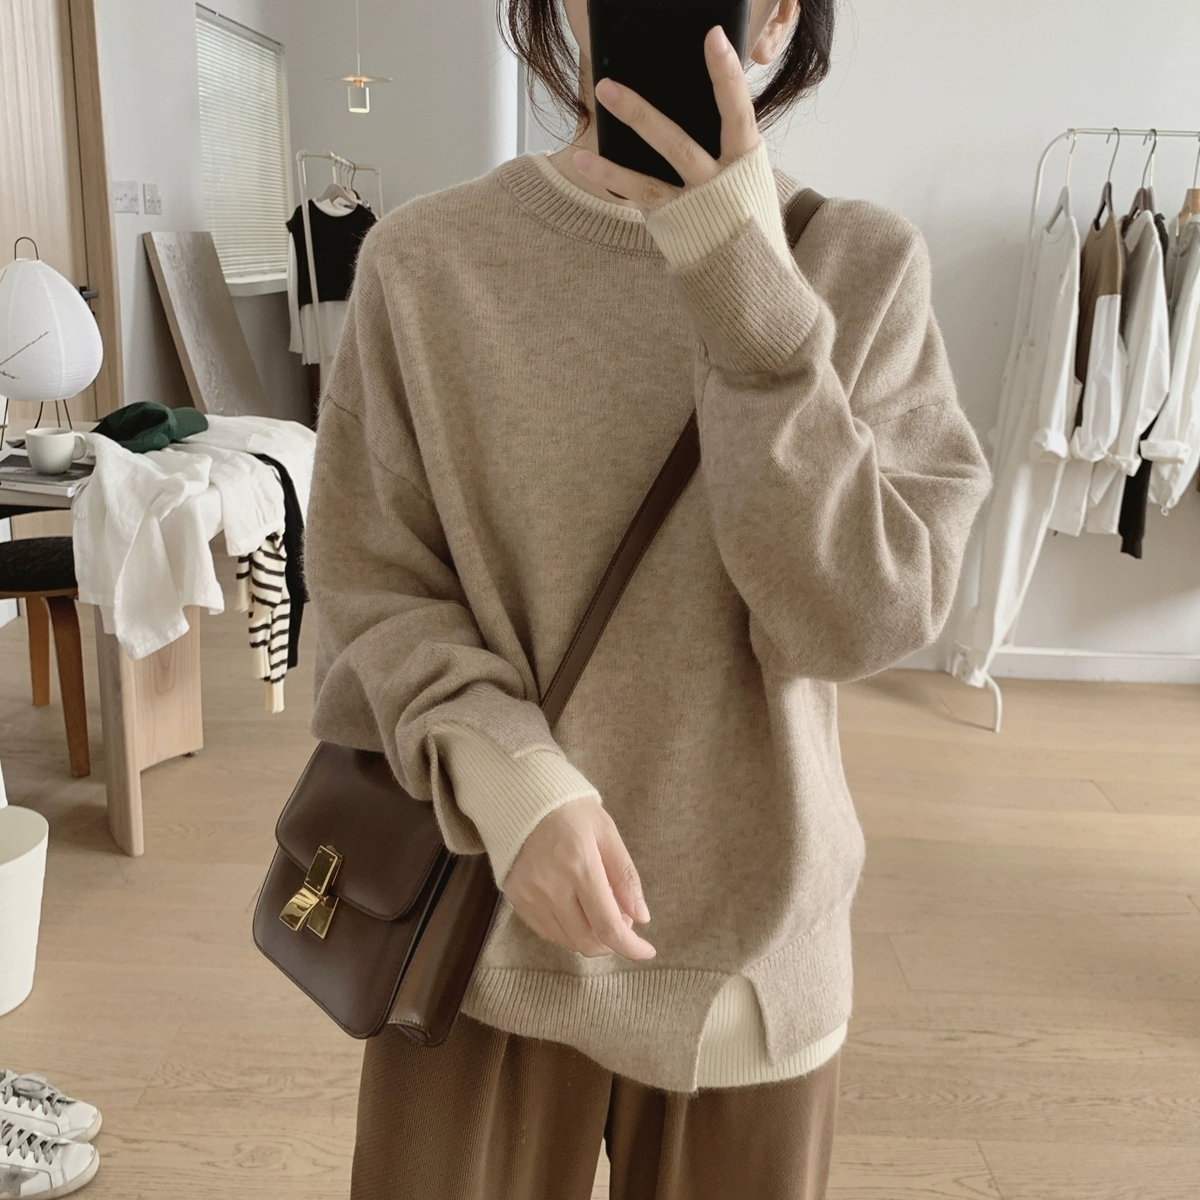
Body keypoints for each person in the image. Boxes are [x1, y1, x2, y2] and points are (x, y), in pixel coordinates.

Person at [304, 0, 993, 1196]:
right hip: (472, 935)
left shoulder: (859, 266)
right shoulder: (423, 264)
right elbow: (375, 584)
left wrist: (745, 294)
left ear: (778, 19)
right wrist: (513, 781)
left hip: (750, 967)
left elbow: (858, 618)